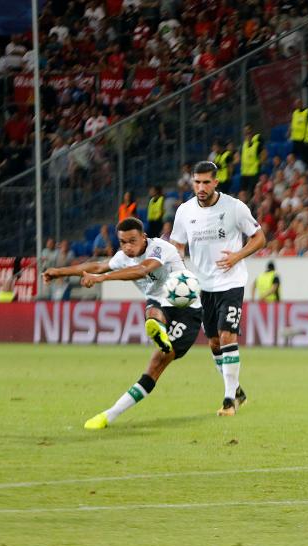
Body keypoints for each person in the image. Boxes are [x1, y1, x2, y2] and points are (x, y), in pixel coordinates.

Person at [42, 217, 203, 429]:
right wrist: (58, 272)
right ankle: (110, 414)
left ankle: (160, 332)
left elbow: (142, 270)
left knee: (158, 348)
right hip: (158, 302)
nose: (127, 247)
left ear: (143, 237)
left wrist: (101, 279)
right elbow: (98, 266)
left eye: (132, 241)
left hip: (186, 307)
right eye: (123, 242)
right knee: (154, 324)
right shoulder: (123, 257)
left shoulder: (160, 248)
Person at [170, 161, 265, 416]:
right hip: (203, 286)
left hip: (231, 282)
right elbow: (177, 245)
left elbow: (259, 237)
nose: (200, 187)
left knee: (226, 336)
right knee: (213, 343)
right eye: (196, 182)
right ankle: (236, 390)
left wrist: (237, 256)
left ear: (216, 182)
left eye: (206, 182)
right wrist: (180, 271)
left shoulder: (234, 208)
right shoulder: (184, 211)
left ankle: (228, 401)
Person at [240, 125, 262, 193]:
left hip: (254, 173)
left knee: (252, 192)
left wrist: (258, 164)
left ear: (252, 132)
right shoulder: (244, 145)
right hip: (245, 173)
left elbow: (264, 156)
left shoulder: (257, 144)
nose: (246, 134)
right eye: (245, 133)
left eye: (248, 132)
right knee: (243, 192)